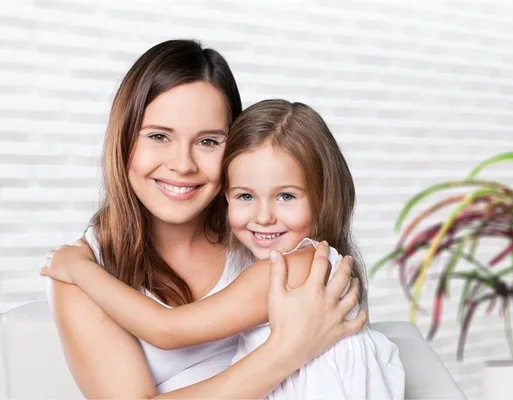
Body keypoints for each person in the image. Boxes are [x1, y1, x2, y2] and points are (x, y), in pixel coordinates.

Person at [44, 39, 366, 399]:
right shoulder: (88, 272)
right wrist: (286, 352)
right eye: (158, 136)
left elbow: (166, 329)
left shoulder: (263, 239)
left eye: (209, 142)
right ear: (122, 139)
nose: (183, 164)